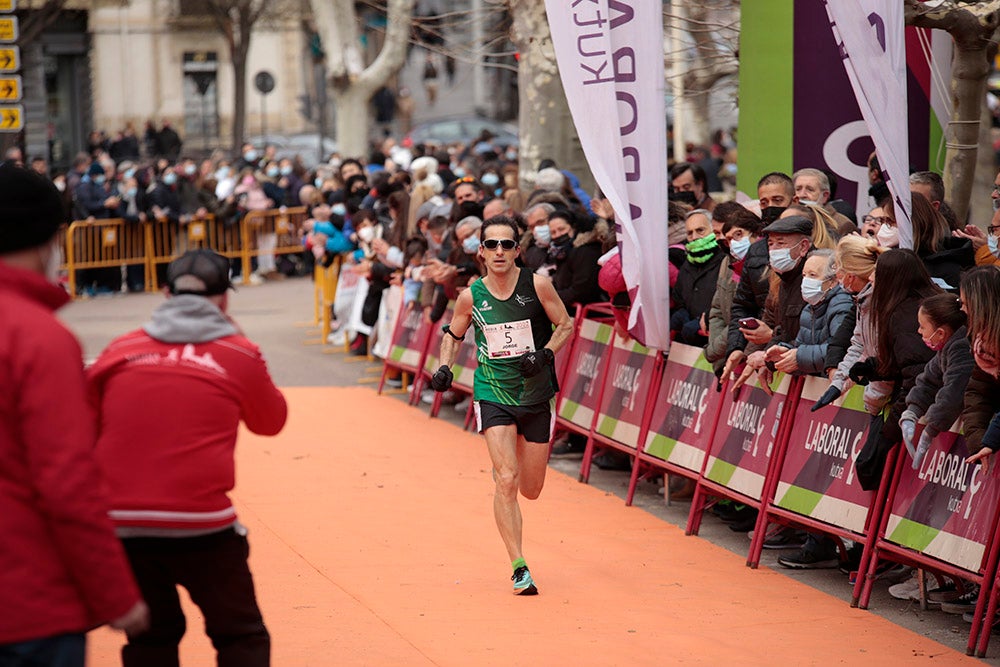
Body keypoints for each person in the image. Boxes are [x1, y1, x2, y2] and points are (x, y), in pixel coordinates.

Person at [87, 249, 288, 666]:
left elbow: (82, 422)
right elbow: (271, 422)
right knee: (240, 634)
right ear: (224, 299)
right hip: (201, 522)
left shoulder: (120, 348)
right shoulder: (238, 351)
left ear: (165, 293)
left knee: (150, 636)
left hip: (120, 521)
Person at [0, 165, 148, 665]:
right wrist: (116, 596)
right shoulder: (37, 337)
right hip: (27, 598)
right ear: (48, 239)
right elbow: (66, 479)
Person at [428, 215, 573, 595]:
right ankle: (519, 566)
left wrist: (544, 355)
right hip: (493, 393)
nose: (499, 251)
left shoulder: (537, 285)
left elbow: (566, 325)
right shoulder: (471, 296)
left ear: (517, 251)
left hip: (537, 394)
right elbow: (453, 334)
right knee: (507, 479)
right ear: (481, 252)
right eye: (491, 245)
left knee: (531, 488)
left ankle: (507, 469)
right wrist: (444, 367)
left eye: (506, 245)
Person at [900, 292, 973, 468]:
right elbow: (928, 380)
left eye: (922, 327)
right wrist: (912, 411)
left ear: (940, 333)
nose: (919, 331)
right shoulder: (946, 348)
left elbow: (953, 394)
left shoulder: (961, 347)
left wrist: (930, 430)